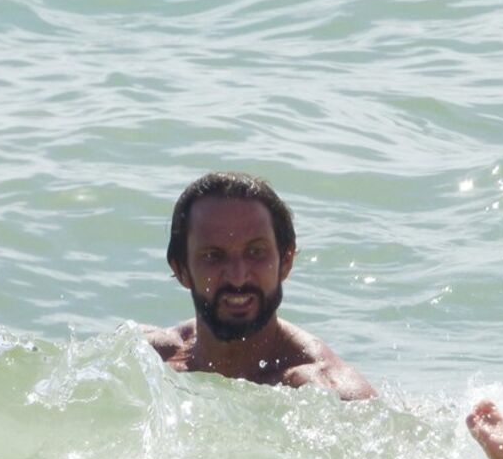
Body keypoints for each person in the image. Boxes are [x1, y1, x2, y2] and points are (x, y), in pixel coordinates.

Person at [142, 171, 376, 401]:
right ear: (181, 270)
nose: (238, 277)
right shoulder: (146, 359)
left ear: (285, 261)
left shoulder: (329, 394)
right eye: (214, 256)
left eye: (255, 252)